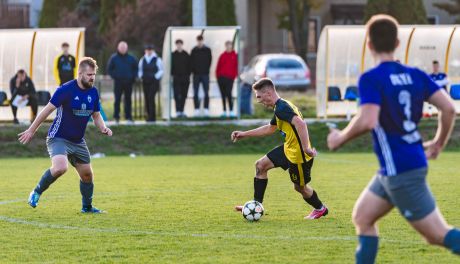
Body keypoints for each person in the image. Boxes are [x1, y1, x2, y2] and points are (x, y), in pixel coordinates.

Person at [327, 15, 460, 263]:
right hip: (396, 167)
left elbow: (368, 119)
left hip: (400, 170)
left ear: (368, 45)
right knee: (363, 218)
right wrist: (439, 142)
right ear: (398, 43)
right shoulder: (416, 75)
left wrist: (339, 138)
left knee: (437, 235)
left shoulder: (372, 78)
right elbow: (449, 109)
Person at [20, 57, 113, 213]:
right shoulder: (65, 89)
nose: (92, 78)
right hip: (58, 138)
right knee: (60, 167)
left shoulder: (93, 92)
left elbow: (96, 115)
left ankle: (87, 207)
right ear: (80, 73)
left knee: (87, 176)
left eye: (94, 75)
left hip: (78, 141)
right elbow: (47, 110)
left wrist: (103, 127)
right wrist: (31, 130)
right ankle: (36, 192)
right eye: (89, 74)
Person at [231, 78, 328, 219]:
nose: (258, 100)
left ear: (268, 93)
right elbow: (270, 129)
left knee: (300, 187)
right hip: (288, 148)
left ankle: (320, 208)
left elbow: (301, 124)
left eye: (259, 96)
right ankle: (255, 206)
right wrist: (244, 134)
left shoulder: (282, 108)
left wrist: (306, 148)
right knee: (260, 165)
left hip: (299, 155)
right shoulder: (280, 107)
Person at [107, 41, 138, 123]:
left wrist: (133, 78)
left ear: (127, 48)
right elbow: (109, 69)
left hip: (129, 82)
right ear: (118, 48)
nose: (123, 49)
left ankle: (128, 117)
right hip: (118, 82)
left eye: (124, 48)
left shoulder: (131, 58)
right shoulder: (113, 58)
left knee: (128, 100)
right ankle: (116, 117)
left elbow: (136, 69)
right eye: (121, 47)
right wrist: (115, 77)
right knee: (117, 100)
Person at [138, 44, 163, 122]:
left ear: (152, 50)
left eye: (150, 50)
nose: (149, 51)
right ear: (145, 51)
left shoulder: (157, 59)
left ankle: (153, 117)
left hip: (154, 82)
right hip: (145, 81)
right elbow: (140, 70)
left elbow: (161, 70)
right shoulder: (142, 59)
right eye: (147, 50)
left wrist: (155, 77)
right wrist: (141, 76)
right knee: (146, 98)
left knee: (151, 97)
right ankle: (148, 116)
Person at [190, 35, 212, 117]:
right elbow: (191, 62)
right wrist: (194, 71)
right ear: (197, 41)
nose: (200, 42)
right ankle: (196, 109)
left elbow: (210, 61)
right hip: (196, 75)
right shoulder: (193, 50)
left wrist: (206, 70)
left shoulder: (207, 50)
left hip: (205, 74)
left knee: (206, 92)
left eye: (201, 40)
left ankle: (206, 109)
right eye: (198, 40)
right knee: (195, 92)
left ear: (203, 40)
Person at [216, 41, 238, 118]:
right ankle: (224, 111)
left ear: (232, 46)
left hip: (230, 78)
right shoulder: (222, 55)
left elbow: (236, 67)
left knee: (229, 93)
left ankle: (231, 111)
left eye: (230, 45)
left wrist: (233, 76)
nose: (228, 47)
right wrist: (218, 76)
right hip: (221, 78)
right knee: (223, 95)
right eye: (227, 45)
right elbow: (218, 67)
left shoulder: (235, 55)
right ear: (225, 46)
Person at [171, 39, 191, 118]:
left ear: (182, 45)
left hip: (185, 78)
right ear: (176, 45)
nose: (179, 45)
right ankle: (177, 111)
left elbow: (190, 66)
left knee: (183, 95)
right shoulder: (173, 54)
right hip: (176, 78)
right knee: (177, 95)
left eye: (180, 44)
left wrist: (187, 75)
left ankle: (182, 111)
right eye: (177, 44)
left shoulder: (186, 54)